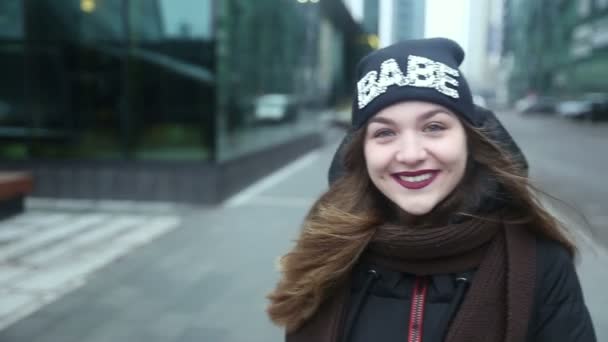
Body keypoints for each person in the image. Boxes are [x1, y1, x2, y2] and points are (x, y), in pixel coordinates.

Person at [266, 38, 596, 342]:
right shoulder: (327, 252)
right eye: (384, 133)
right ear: (361, 151)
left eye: (434, 127)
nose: (410, 154)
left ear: (468, 141)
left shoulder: (541, 263)